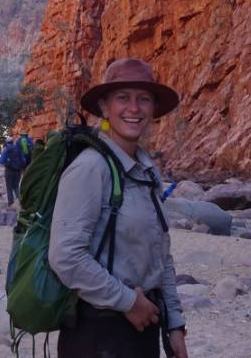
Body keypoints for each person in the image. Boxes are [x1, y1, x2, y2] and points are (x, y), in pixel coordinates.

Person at [48, 57, 188, 358]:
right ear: (104, 107)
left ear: (153, 109)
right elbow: (66, 256)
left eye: (144, 99)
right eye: (123, 98)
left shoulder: (147, 171)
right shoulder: (90, 168)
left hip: (142, 329)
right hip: (97, 335)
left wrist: (174, 323)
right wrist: (127, 301)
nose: (134, 109)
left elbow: (160, 253)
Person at [0, 135, 29, 206]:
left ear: (7, 142)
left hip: (9, 171)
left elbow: (2, 161)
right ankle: (20, 201)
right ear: (12, 142)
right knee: (16, 186)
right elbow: (24, 160)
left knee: (9, 187)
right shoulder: (18, 149)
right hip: (18, 171)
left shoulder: (6, 150)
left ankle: (11, 203)